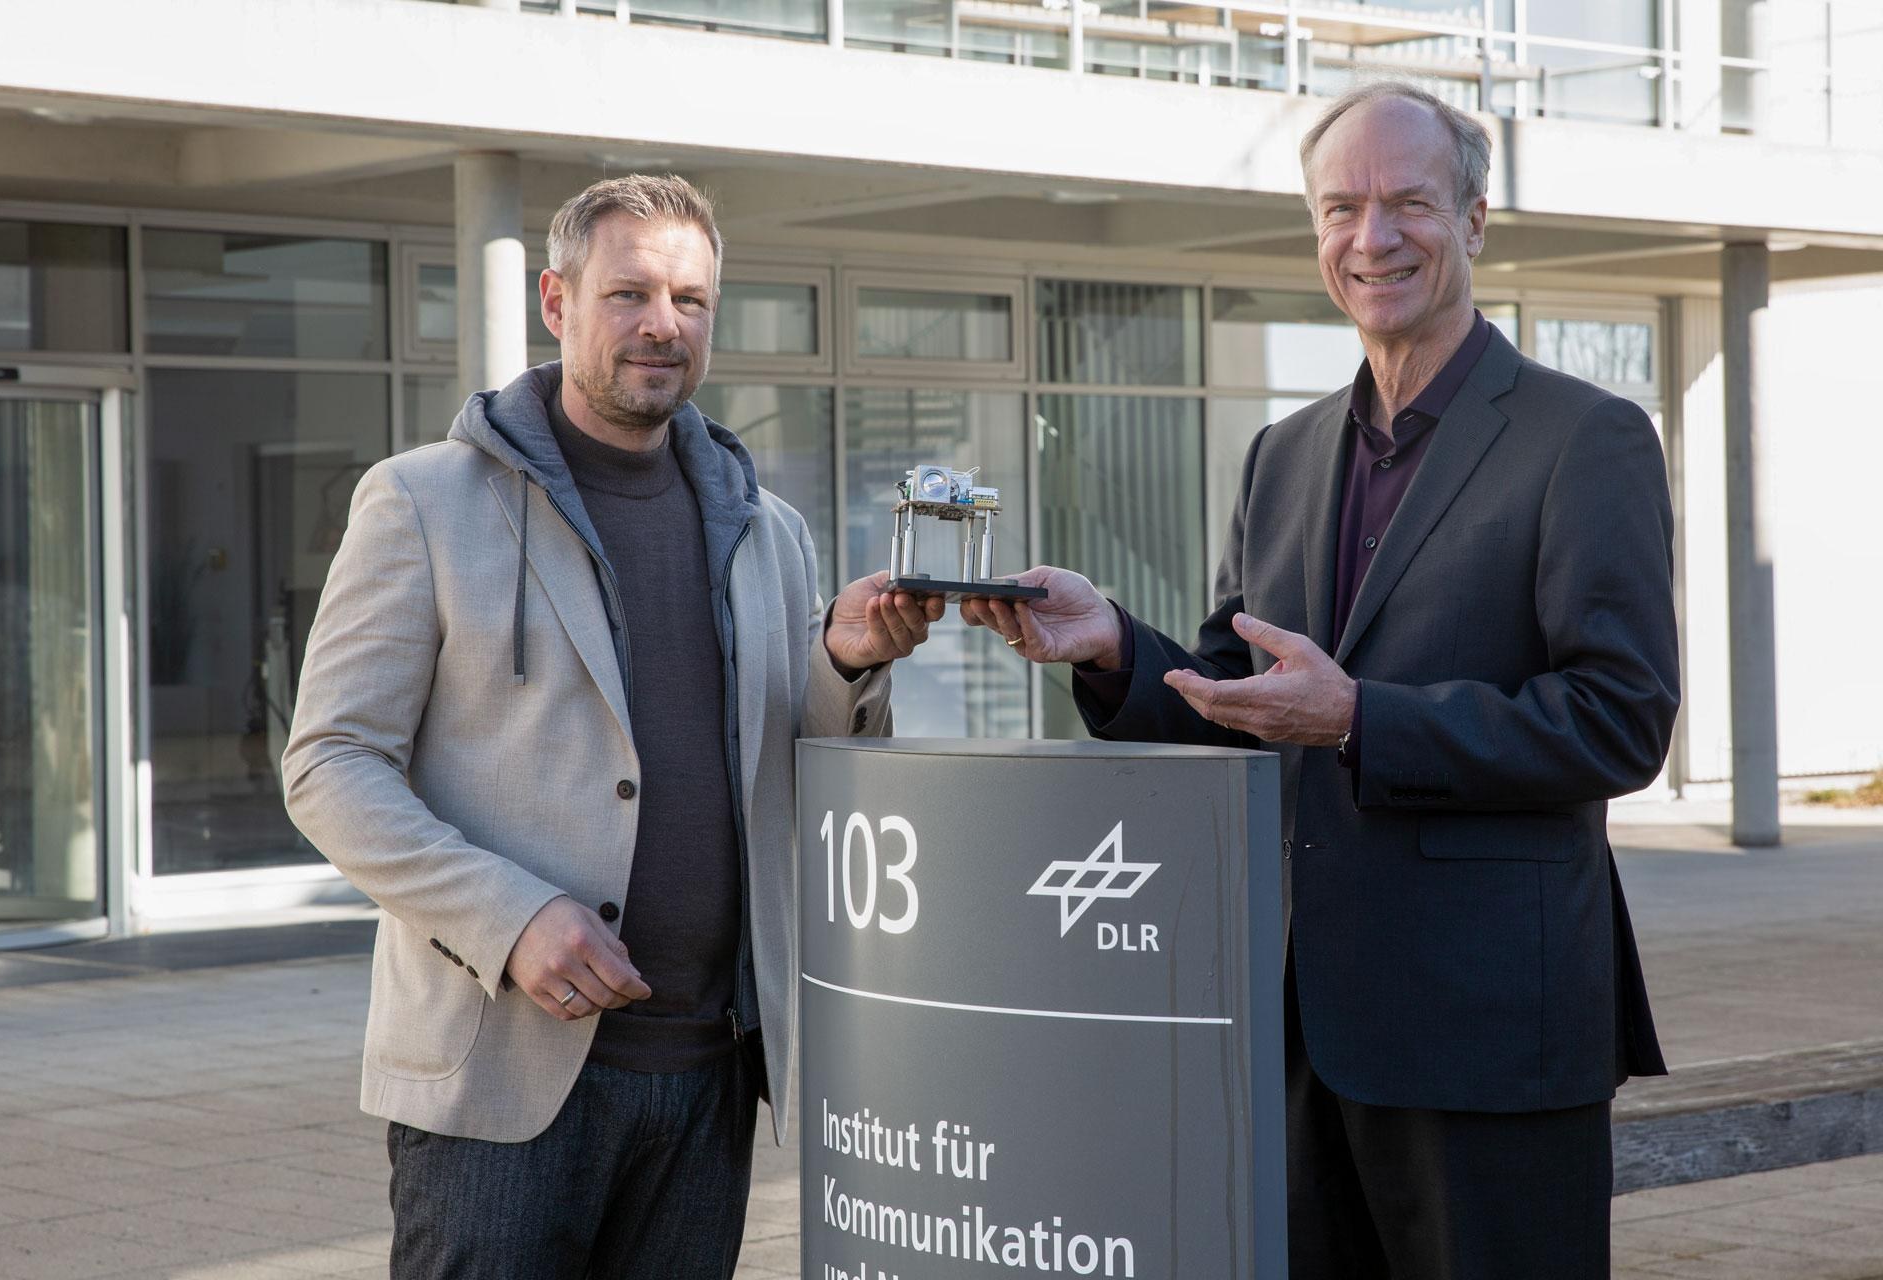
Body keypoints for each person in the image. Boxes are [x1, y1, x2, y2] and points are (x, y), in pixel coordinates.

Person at [964, 82, 1676, 1279]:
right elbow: (1240, 698)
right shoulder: (1280, 455)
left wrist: (1358, 719)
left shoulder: (1585, 438)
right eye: (1341, 207)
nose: (1371, 236)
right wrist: (1114, 645)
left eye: (1408, 203)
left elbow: (1620, 720)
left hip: (1489, 1033)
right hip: (1300, 1036)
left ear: (1475, 218)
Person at [283, 174, 941, 1279]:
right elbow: (329, 766)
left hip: (709, 1075)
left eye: (691, 299)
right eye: (629, 292)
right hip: (501, 1078)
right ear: (557, 301)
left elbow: (805, 759)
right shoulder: (422, 502)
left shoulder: (768, 529)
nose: (662, 324)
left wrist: (844, 659)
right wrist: (510, 918)